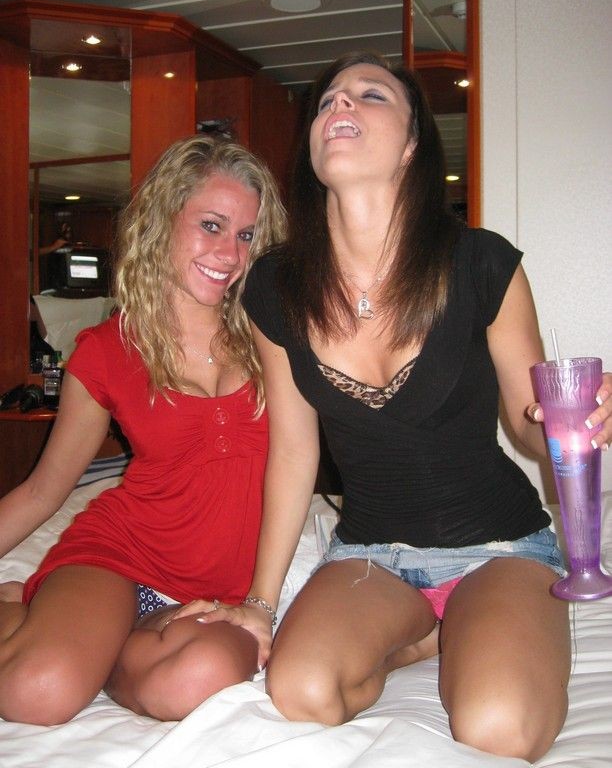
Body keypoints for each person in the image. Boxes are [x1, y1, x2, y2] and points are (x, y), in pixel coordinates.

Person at [177, 52, 612, 761]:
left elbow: (529, 427)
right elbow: (294, 452)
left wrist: (577, 423)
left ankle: (473, 621)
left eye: (370, 95)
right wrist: (260, 604)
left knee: (498, 728)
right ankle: (431, 633)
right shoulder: (275, 286)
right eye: (327, 100)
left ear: (412, 145)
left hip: (499, 544)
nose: (339, 105)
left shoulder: (481, 262)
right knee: (301, 691)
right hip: (370, 551)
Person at [0, 134, 286, 725]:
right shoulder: (108, 351)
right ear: (163, 222)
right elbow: (43, 491)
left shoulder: (276, 337)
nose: (229, 253)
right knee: (37, 693)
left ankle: (78, 636)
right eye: (211, 225)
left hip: (220, 594)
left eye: (246, 235)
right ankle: (55, 623)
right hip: (119, 556)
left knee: (196, 680)